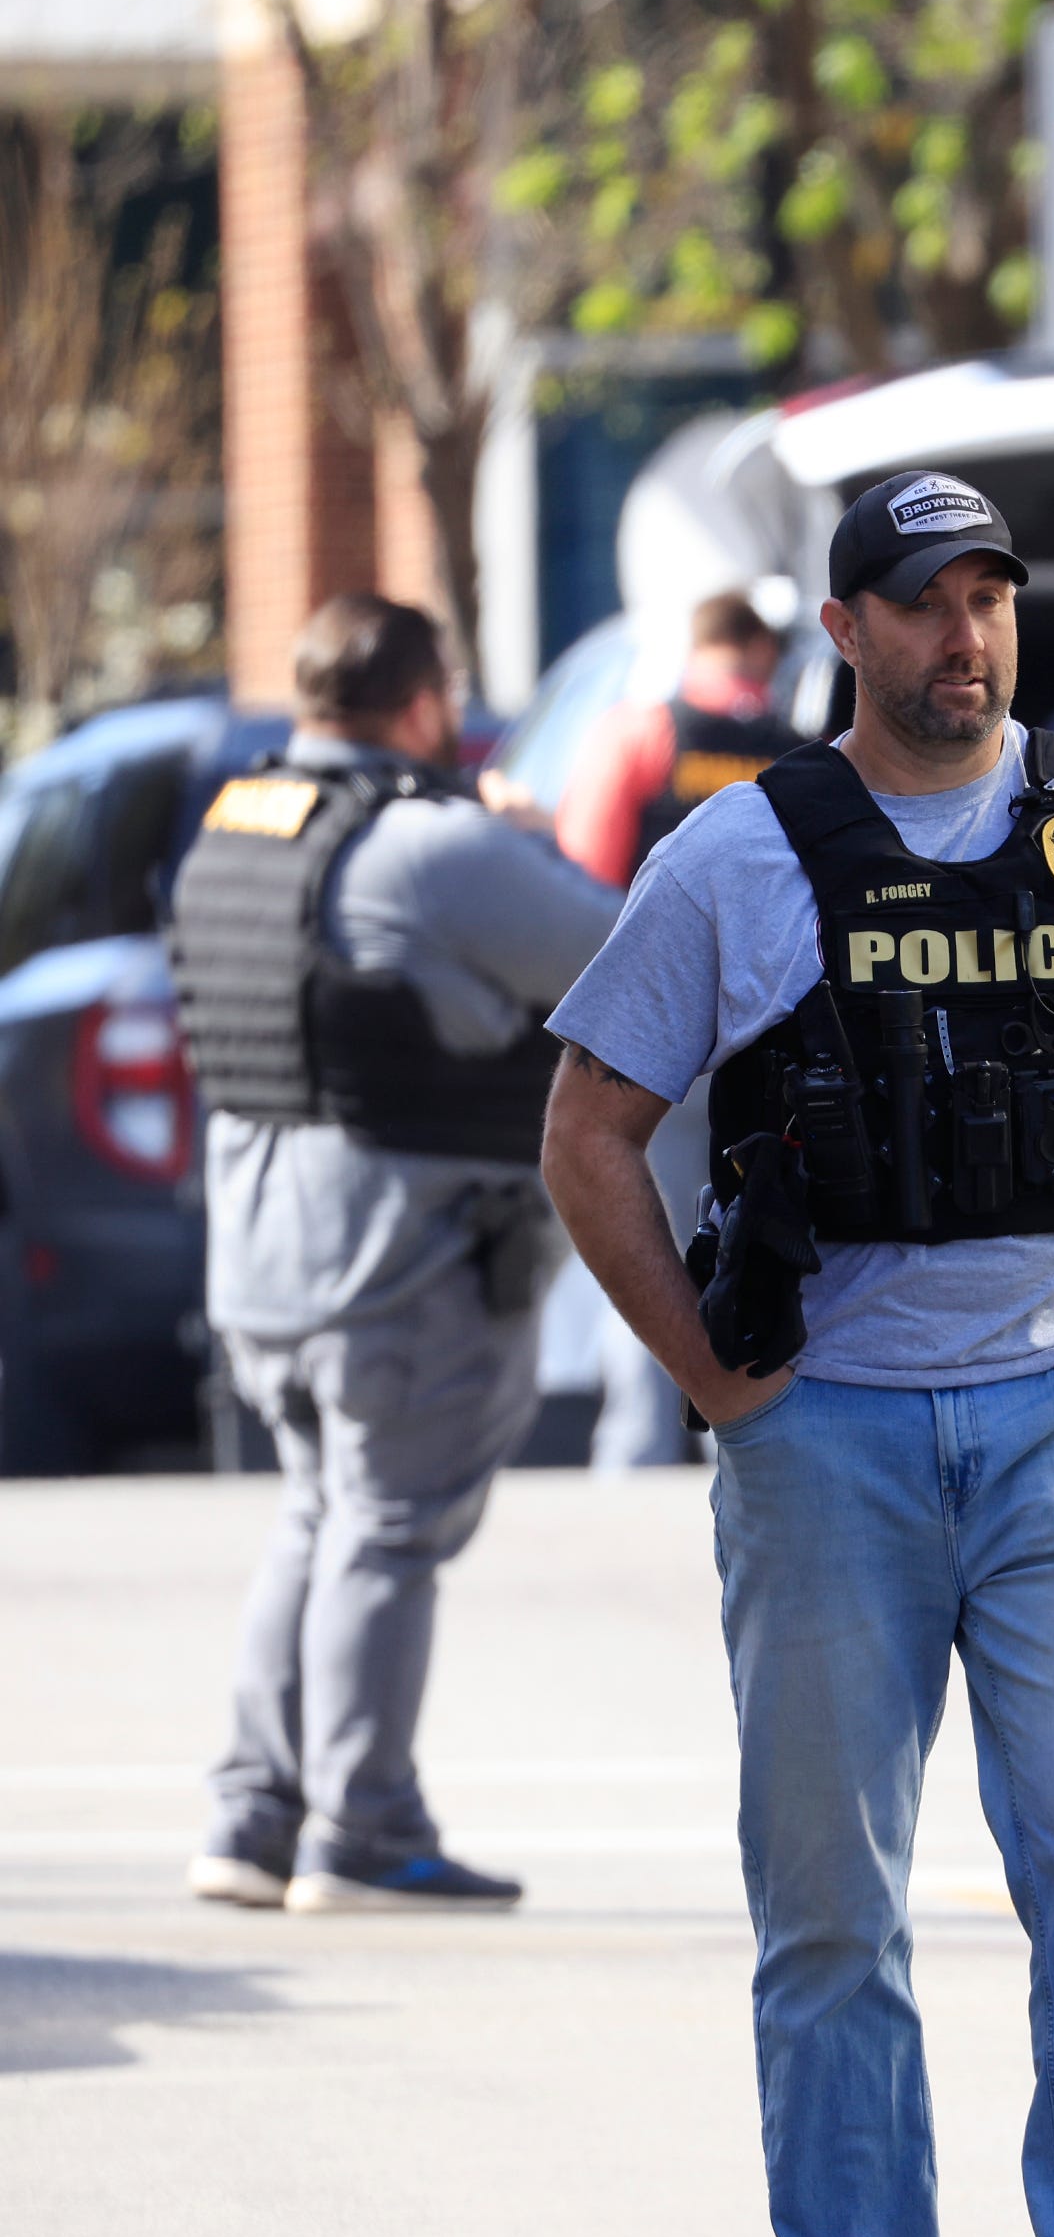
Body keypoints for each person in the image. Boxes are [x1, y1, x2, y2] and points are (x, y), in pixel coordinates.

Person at [538, 472, 1054, 2237]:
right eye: (926, 602)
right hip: (829, 1436)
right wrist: (715, 1382)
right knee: (829, 1903)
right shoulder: (737, 858)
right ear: (845, 629)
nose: (968, 635)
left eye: (992, 598)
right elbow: (588, 1130)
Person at [171, 593, 621, 1915]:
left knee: (320, 1519)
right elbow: (622, 950)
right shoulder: (434, 846)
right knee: (385, 1529)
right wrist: (526, 841)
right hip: (401, 1257)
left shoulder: (238, 822)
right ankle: (362, 1829)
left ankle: (254, 1816)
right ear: (424, 704)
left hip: (262, 1251)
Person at [553, 593, 807, 1470]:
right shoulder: (796, 750)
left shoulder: (641, 732)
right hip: (772, 1041)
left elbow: (579, 877)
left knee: (647, 1229)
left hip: (658, 1038)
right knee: (754, 1226)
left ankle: (637, 1445)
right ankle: (743, 1437)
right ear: (761, 654)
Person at [556, 590, 800, 891]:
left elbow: (586, 874)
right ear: (762, 648)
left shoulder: (640, 731)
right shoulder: (802, 754)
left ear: (694, 648)